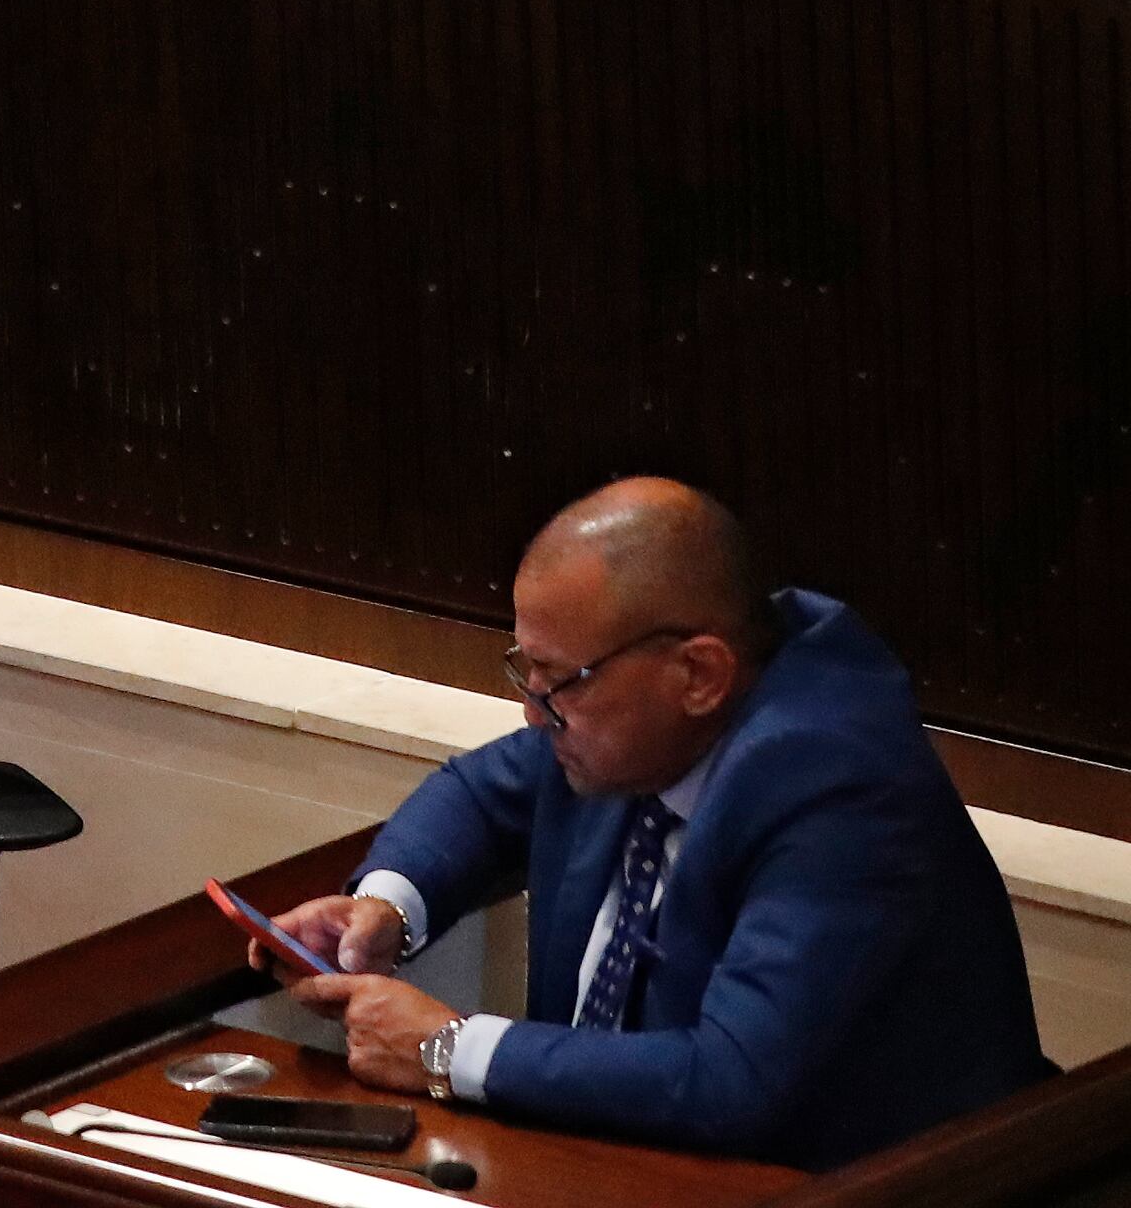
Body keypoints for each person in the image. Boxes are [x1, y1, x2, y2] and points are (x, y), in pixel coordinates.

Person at [250, 479, 1048, 1171]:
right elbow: (478, 795)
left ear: (698, 673)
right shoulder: (630, 730)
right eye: (525, 669)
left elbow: (732, 1082)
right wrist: (387, 909)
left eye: (559, 681)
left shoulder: (840, 791)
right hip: (601, 1168)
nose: (533, 711)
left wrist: (450, 1049)